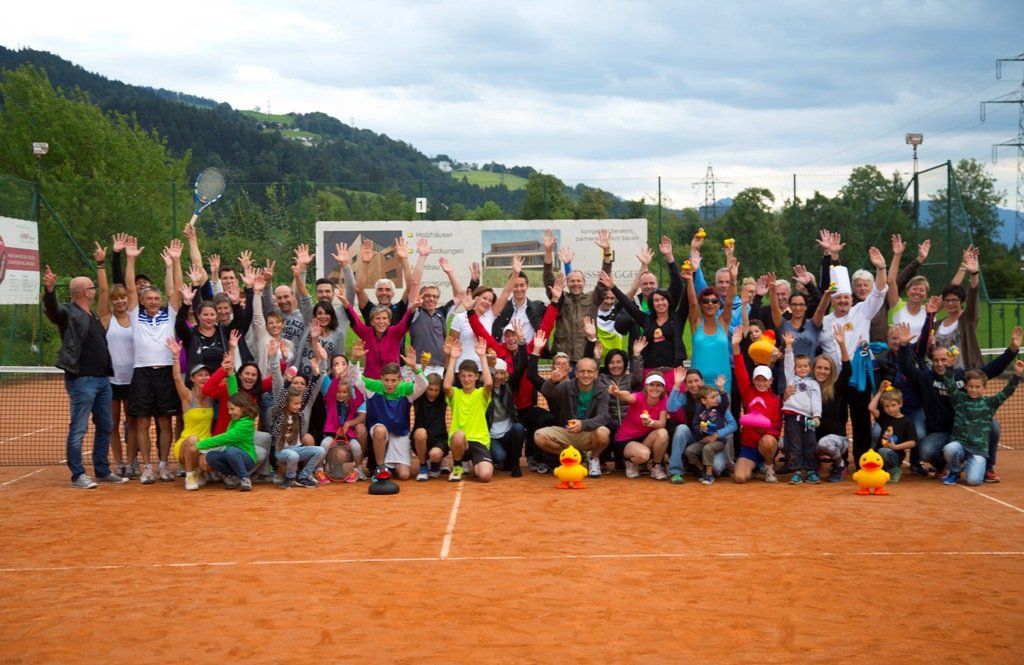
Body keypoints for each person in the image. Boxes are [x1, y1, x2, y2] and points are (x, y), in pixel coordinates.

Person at [896, 322, 1020, 481]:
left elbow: (992, 369)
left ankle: (988, 467)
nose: (940, 363)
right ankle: (942, 465)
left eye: (943, 359)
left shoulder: (963, 376)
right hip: (941, 431)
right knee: (925, 451)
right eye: (936, 360)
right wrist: (904, 346)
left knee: (993, 426)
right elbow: (907, 367)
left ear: (951, 359)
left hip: (967, 428)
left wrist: (1012, 351)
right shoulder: (925, 378)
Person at [42, 261, 128, 488]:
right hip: (82, 380)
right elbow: (53, 311)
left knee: (106, 426)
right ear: (83, 292)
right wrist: (49, 291)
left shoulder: (93, 315)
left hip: (102, 380)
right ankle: (78, 474)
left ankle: (102, 471)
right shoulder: (69, 312)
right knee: (79, 429)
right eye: (92, 287)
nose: (94, 291)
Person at [124, 236, 184, 483]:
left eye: (156, 299)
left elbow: (176, 290)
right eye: (149, 298)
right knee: (141, 422)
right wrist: (130, 260)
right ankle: (147, 467)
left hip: (166, 373)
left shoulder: (169, 315)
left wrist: (174, 264)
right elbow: (130, 288)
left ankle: (163, 464)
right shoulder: (135, 315)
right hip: (142, 373)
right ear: (142, 300)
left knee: (165, 423)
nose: (153, 302)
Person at [528, 329, 611, 475]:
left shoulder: (602, 388)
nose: (586, 375)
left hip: (588, 431)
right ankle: (573, 457)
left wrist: (583, 424)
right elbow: (548, 392)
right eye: (582, 372)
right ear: (576, 373)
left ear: (596, 374)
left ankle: (593, 459)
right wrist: (552, 380)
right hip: (566, 431)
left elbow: (604, 416)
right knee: (539, 436)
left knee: (604, 433)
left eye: (590, 372)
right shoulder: (566, 386)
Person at [351, 344, 427, 481]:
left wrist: (414, 367)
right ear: (381, 378)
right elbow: (355, 377)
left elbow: (423, 385)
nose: (390, 384)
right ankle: (380, 467)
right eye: (386, 380)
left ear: (399, 380)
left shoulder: (406, 390)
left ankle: (390, 466)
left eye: (393, 380)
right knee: (380, 430)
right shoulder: (373, 387)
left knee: (404, 475)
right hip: (380, 431)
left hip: (400, 432)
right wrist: (355, 359)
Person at [941, 361, 1022, 486]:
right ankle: (955, 472)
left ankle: (976, 466)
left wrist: (1017, 375)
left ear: (984, 388)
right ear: (966, 386)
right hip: (960, 445)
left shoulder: (990, 403)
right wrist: (949, 366)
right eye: (971, 386)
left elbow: (1007, 392)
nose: (974, 390)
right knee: (949, 448)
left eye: (978, 387)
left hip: (978, 450)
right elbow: (949, 384)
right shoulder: (959, 399)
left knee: (974, 481)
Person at [542, 228, 614, 362]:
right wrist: (547, 251)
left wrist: (606, 251)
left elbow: (604, 279)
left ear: (584, 283)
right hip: (562, 358)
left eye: (579, 281)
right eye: (572, 281)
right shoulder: (561, 298)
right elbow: (548, 278)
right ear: (567, 283)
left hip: (585, 356)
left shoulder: (592, 298)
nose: (576, 283)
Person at [96, 238, 135, 478]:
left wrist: (128, 258)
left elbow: (131, 287)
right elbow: (102, 291)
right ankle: (118, 463)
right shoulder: (106, 319)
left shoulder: (135, 318)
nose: (120, 301)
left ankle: (130, 463)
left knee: (132, 424)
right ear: (111, 302)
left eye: (123, 297)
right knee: (111, 424)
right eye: (116, 298)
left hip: (133, 380)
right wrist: (101, 265)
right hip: (111, 382)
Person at [731, 326, 783, 484]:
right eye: (758, 379)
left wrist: (762, 430)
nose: (761, 383)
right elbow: (740, 371)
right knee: (740, 478)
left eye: (764, 380)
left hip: (766, 444)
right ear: (753, 380)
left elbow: (776, 428)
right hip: (749, 446)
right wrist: (736, 347)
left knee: (768, 441)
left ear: (770, 381)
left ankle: (768, 465)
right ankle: (756, 466)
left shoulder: (775, 400)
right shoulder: (748, 392)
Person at [195, 368, 260, 491]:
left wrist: (198, 445)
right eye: (229, 409)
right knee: (211, 456)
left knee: (231, 451)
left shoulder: (246, 424)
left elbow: (225, 438)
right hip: (232, 456)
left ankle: (245, 478)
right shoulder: (238, 415)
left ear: (242, 408)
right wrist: (230, 374)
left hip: (247, 459)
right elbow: (233, 393)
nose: (229, 412)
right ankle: (232, 476)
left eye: (232, 409)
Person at [165, 339, 214, 491]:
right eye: (200, 375)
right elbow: (177, 378)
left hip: (206, 444)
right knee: (193, 440)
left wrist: (232, 348)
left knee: (210, 463)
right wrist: (176, 356)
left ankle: (200, 470)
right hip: (187, 444)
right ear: (192, 378)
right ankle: (190, 475)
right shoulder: (187, 396)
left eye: (207, 375)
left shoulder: (211, 396)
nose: (204, 378)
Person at [444, 337, 495, 483]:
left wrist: (482, 356)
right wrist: (453, 358)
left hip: (479, 441)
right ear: (459, 377)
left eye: (470, 376)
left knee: (485, 475)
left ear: (476, 376)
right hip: (460, 443)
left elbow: (488, 383)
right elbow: (446, 385)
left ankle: (475, 464)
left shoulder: (481, 394)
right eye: (463, 376)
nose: (467, 379)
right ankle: (457, 466)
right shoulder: (455, 394)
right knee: (459, 435)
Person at [685, 256, 737, 394]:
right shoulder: (696, 323)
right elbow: (692, 303)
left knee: (722, 408)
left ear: (719, 304)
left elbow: (729, 303)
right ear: (701, 304)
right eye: (705, 301)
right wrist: (689, 280)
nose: (710, 304)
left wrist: (733, 279)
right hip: (698, 382)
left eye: (714, 301)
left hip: (722, 381)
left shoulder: (723, 322)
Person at [609, 374, 670, 479]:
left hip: (644, 439)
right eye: (651, 384)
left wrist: (651, 422)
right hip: (625, 440)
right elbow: (628, 396)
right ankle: (630, 462)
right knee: (644, 454)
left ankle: (656, 466)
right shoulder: (638, 397)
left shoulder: (663, 400)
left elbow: (662, 423)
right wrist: (618, 393)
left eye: (658, 385)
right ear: (646, 386)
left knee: (662, 432)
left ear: (663, 388)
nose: (655, 388)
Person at [812, 325, 853, 482]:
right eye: (819, 368)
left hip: (836, 440)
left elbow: (847, 371)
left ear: (831, 372)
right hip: (814, 440)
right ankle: (812, 465)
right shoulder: (808, 389)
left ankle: (840, 465)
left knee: (825, 443)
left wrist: (842, 344)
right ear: (813, 369)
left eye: (826, 369)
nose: (822, 371)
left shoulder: (836, 388)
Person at [781, 331, 823, 484]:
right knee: (795, 445)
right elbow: (788, 363)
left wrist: (817, 416)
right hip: (792, 417)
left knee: (810, 444)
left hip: (808, 419)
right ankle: (796, 471)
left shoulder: (813, 384)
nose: (802, 369)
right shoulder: (791, 380)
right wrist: (789, 347)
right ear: (795, 368)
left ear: (810, 368)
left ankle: (811, 471)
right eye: (799, 366)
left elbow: (817, 401)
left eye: (805, 366)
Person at [319, 354, 367, 483]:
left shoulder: (354, 395)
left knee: (356, 447)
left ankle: (356, 470)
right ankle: (319, 471)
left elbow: (359, 398)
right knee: (324, 445)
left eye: (343, 364)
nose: (340, 394)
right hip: (332, 432)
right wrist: (337, 377)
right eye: (336, 364)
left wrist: (348, 424)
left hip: (348, 433)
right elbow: (332, 390)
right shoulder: (331, 395)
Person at [933, 246, 982, 370]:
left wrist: (974, 274)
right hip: (943, 376)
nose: (950, 303)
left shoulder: (967, 319)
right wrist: (931, 345)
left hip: (966, 374)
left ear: (962, 302)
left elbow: (973, 294)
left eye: (954, 300)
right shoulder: (937, 325)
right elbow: (932, 354)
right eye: (947, 300)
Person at [683, 377, 734, 485]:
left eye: (717, 396)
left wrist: (721, 389)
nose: (716, 399)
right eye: (713, 397)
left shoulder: (720, 408)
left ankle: (709, 475)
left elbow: (725, 402)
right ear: (704, 400)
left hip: (719, 441)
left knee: (708, 448)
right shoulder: (700, 411)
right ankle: (702, 470)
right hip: (704, 439)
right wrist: (701, 430)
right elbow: (695, 425)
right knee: (689, 450)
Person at [867, 382, 916, 484]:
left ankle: (894, 470)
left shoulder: (907, 421)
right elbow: (871, 408)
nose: (890, 409)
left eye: (893, 405)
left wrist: (895, 447)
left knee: (884, 451)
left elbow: (912, 442)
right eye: (886, 406)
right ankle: (884, 470)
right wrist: (880, 391)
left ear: (900, 404)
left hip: (894, 454)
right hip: (878, 454)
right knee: (868, 458)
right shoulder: (885, 417)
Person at [487, 359, 526, 477]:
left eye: (501, 373)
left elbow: (522, 366)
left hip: (507, 433)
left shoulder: (509, 388)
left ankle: (515, 463)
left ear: (506, 375)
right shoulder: (484, 390)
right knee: (500, 457)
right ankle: (495, 460)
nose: (498, 377)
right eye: (495, 373)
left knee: (519, 428)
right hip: (491, 435)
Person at [412, 372, 449, 481]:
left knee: (435, 455)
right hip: (420, 440)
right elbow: (418, 381)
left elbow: (448, 382)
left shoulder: (442, 397)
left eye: (436, 390)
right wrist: (417, 367)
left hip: (439, 439)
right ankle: (423, 466)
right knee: (421, 433)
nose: (433, 393)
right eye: (430, 389)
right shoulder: (419, 396)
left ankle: (435, 464)